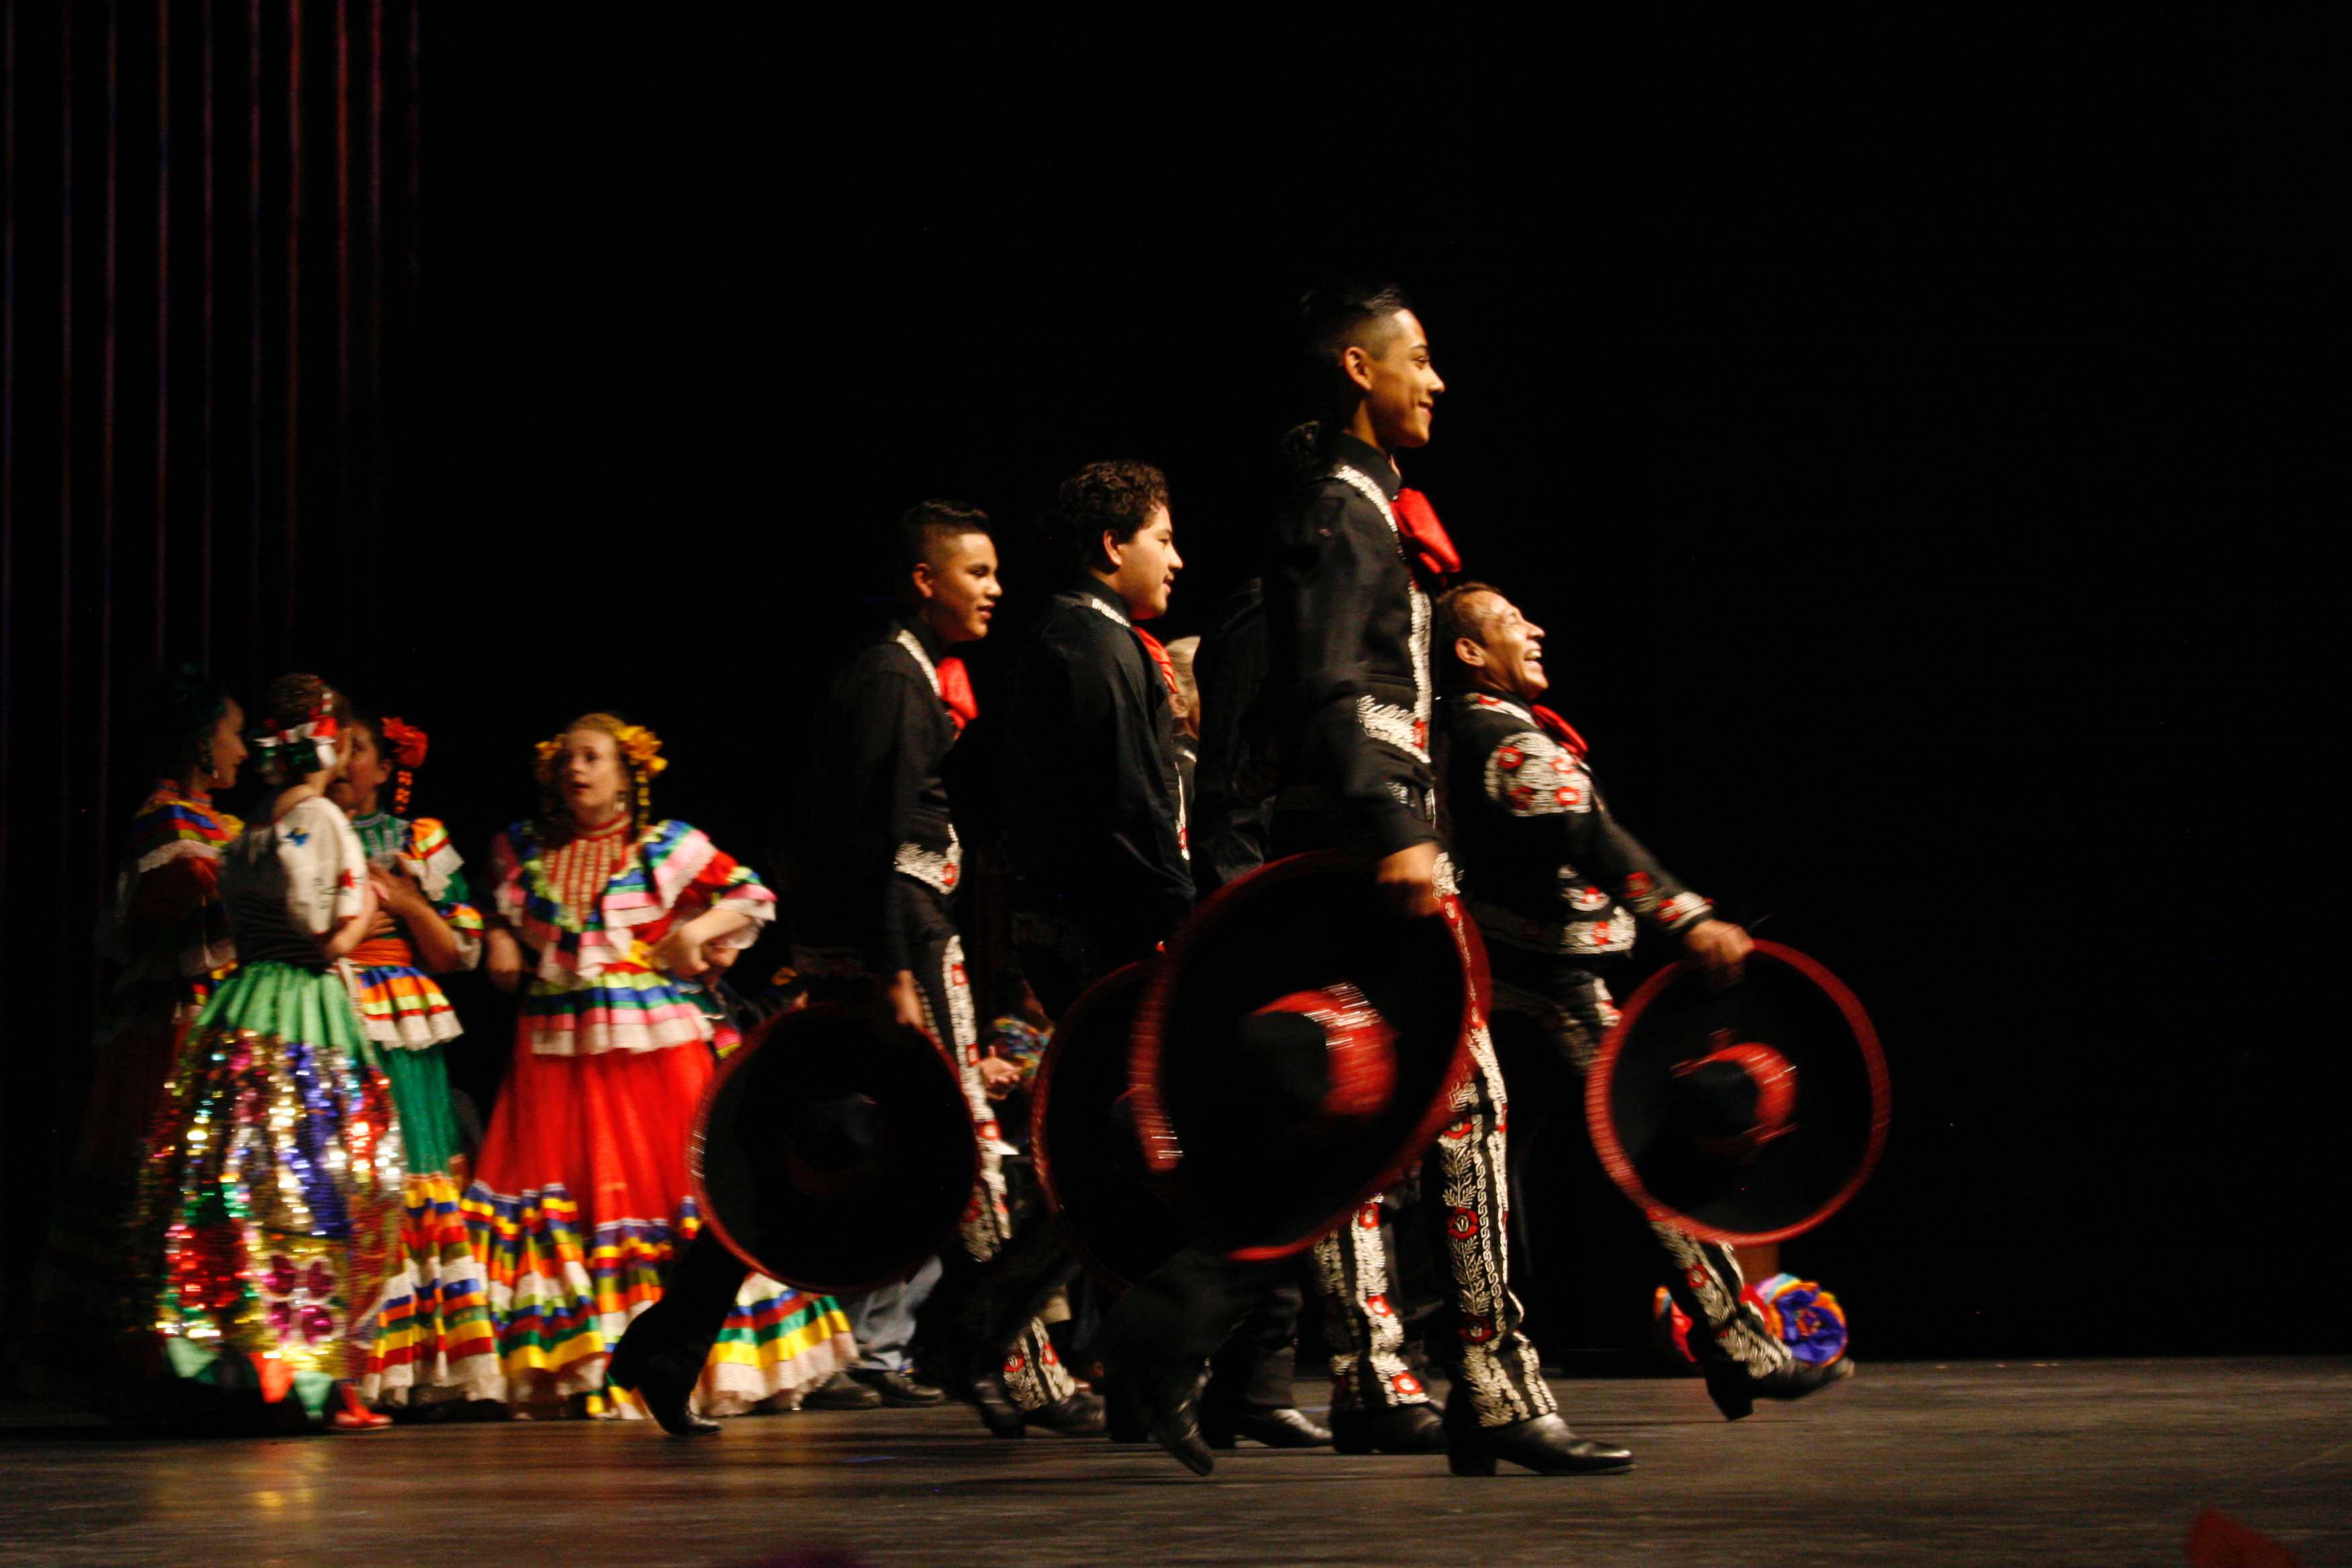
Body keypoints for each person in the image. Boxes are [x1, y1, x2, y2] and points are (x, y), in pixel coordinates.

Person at [1104, 279, 1628, 1477]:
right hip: (1360, 861)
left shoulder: (1356, 510)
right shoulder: (1336, 508)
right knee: (1455, 1107)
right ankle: (1486, 1385)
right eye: (1419, 360)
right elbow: (1341, 687)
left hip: (1362, 850)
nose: (1435, 381)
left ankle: (1187, 1319)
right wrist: (1392, 824)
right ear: (1357, 368)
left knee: (1382, 1120)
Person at [1432, 581, 1853, 1420]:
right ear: (1471, 653)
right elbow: (1585, 835)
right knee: (1643, 1156)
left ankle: (1730, 1346)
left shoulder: (1492, 731)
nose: (1536, 626)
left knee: (1491, 1174)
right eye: (1513, 622)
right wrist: (1686, 915)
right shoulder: (1495, 735)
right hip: (1542, 987)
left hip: (1522, 980)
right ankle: (1735, 1345)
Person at [1001, 460, 1328, 1451]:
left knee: (1143, 1148)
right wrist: (1189, 928)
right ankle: (1168, 1360)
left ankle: (1021, 1330)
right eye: (1163, 536)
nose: (1178, 557)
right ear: (1113, 545)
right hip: (1110, 933)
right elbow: (1129, 814)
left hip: (1101, 927)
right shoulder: (1090, 644)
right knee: (1199, 1140)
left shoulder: (1088, 640)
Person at [469, 714, 852, 1421]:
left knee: (670, 1191)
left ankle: (688, 1360)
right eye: (567, 758)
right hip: (554, 1046)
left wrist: (695, 932)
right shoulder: (521, 851)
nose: (575, 769)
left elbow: (749, 894)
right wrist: (496, 933)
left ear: (627, 774)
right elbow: (479, 902)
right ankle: (574, 1362)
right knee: (566, 1196)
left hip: (651, 1047)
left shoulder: (664, 848)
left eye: (592, 757)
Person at [136, 673, 405, 1430]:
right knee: (312, 1175)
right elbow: (323, 934)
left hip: (247, 997)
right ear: (324, 745)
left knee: (244, 1176)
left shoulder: (254, 820)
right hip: (306, 1007)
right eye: (345, 743)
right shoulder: (319, 817)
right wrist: (372, 914)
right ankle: (302, 1376)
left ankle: (234, 1365)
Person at [15, 667, 248, 1416]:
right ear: (202, 741)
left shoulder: (234, 824)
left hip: (219, 1009)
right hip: (173, 1016)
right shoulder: (167, 817)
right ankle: (137, 1351)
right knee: (155, 1171)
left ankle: (202, 1351)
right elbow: (152, 921)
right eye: (234, 733)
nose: (243, 749)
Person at [324, 708, 502, 1412]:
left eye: (357, 747)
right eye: (333, 747)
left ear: (387, 766)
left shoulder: (413, 838)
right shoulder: (301, 827)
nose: (342, 760)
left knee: (410, 1176)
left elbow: (462, 949)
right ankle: (342, 1366)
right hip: (328, 1011)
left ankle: (413, 1365)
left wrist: (408, 901)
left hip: (400, 1022)